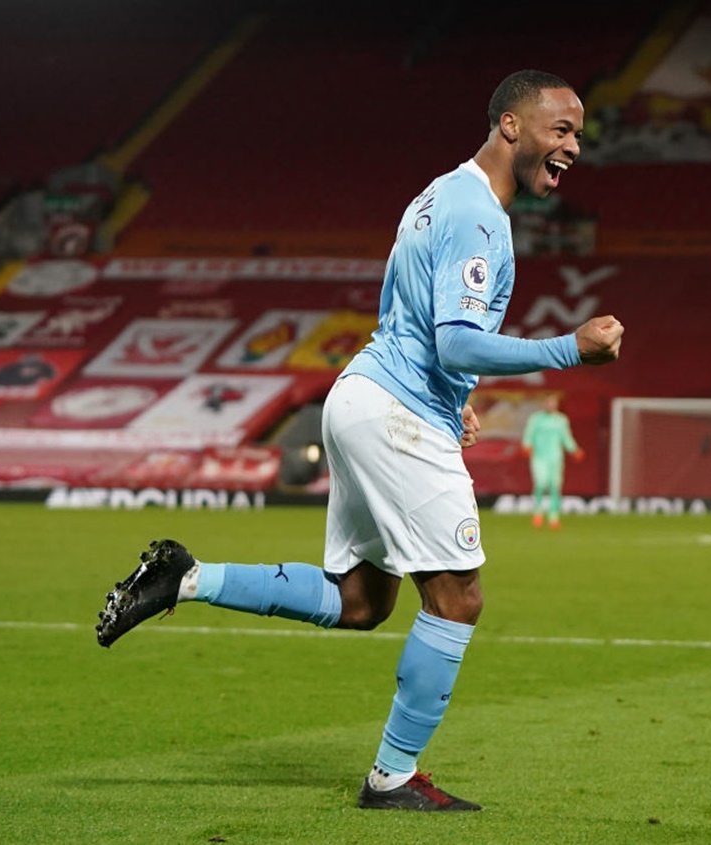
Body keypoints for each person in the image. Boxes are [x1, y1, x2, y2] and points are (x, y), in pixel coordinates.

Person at [94, 69, 624, 812]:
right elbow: (458, 341)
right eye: (560, 129)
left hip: (370, 396)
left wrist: (455, 399)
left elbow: (407, 314)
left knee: (362, 599)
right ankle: (393, 776)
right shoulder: (479, 217)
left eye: (577, 133)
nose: (573, 145)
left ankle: (185, 576)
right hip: (397, 412)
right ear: (511, 125)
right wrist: (571, 348)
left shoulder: (439, 191)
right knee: (458, 596)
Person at [522, 393, 583, 529]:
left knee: (555, 486)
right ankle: (538, 512)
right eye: (548, 402)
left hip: (555, 457)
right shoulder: (536, 419)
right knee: (541, 483)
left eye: (553, 403)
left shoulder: (561, 420)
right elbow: (529, 434)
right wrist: (526, 445)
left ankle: (554, 516)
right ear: (544, 404)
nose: (551, 405)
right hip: (539, 457)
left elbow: (566, 437)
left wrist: (574, 450)